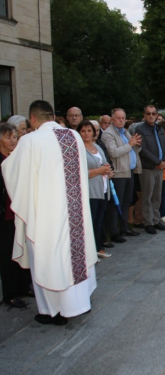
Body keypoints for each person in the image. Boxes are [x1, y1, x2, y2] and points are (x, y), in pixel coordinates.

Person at [2, 100, 98, 325]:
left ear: (33, 119)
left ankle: (52, 311)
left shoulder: (30, 140)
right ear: (52, 116)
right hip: (75, 214)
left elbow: (13, 172)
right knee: (74, 257)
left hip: (46, 216)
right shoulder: (73, 137)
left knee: (48, 260)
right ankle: (78, 303)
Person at [0, 122, 32, 308]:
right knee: (7, 256)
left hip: (21, 213)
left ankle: (23, 286)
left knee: (23, 250)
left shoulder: (18, 158)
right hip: (6, 216)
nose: (12, 141)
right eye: (7, 137)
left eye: (14, 137)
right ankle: (10, 294)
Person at [102, 108, 142, 242]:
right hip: (118, 173)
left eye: (123, 118)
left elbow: (134, 147)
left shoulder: (125, 131)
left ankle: (124, 227)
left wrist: (137, 144)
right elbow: (113, 153)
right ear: (112, 119)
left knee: (126, 202)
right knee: (115, 204)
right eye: (118, 118)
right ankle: (113, 232)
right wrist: (130, 144)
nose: (121, 120)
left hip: (129, 171)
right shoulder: (108, 134)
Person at [78, 120, 113, 259]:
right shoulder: (79, 149)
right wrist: (100, 170)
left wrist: (108, 170)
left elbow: (105, 163)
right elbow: (81, 172)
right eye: (83, 131)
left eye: (89, 130)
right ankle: (88, 252)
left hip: (103, 188)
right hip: (90, 191)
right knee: (90, 221)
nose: (86, 134)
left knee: (99, 220)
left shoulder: (97, 146)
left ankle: (97, 247)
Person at [134, 105, 165, 235]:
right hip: (148, 168)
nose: (151, 116)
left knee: (157, 195)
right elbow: (142, 149)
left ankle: (156, 219)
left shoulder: (159, 128)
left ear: (156, 114)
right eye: (148, 113)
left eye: (153, 113)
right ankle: (148, 222)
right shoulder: (140, 129)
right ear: (144, 115)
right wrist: (157, 162)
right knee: (147, 196)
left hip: (160, 168)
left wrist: (164, 161)